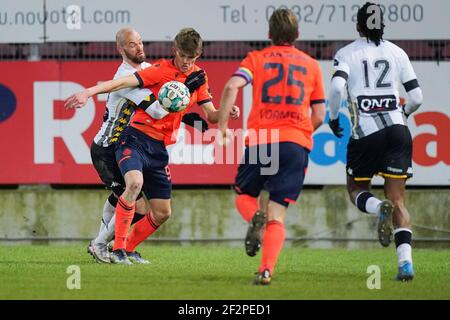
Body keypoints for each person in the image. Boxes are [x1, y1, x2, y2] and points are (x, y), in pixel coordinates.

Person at [65, 27, 240, 265]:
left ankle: (120, 247)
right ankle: (103, 246)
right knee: (133, 193)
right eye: (132, 44)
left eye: (140, 42)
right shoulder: (147, 72)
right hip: (116, 143)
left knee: (149, 207)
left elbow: (206, 113)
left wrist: (223, 114)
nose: (188, 62)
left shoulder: (162, 70)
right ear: (174, 50)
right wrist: (89, 91)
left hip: (156, 147)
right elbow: (156, 107)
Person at [218, 9, 326, 285]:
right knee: (277, 213)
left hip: (262, 141)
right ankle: (266, 271)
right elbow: (320, 115)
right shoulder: (312, 65)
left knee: (244, 195)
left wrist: (222, 129)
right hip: (294, 144)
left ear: (269, 35)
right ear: (298, 35)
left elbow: (231, 87)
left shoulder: (256, 58)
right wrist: (300, 134)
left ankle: (255, 216)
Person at [327, 2, 423, 281]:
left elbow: (335, 87)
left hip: (366, 133)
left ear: (358, 26)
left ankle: (374, 207)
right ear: (383, 25)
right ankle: (405, 264)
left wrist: (334, 117)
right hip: (397, 129)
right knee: (398, 200)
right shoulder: (398, 52)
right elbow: (417, 98)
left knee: (355, 187)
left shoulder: (347, 53)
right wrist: (401, 114)